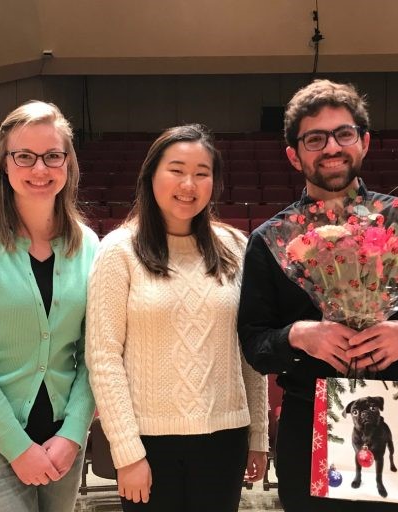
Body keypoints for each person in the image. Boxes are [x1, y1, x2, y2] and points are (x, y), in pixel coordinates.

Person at [237, 79, 398, 512]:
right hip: (308, 421)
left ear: (365, 142)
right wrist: (298, 336)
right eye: (315, 139)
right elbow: (254, 344)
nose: (332, 148)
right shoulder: (270, 240)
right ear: (293, 154)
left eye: (344, 134)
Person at [86, 124, 269, 512]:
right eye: (176, 169)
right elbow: (103, 357)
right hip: (148, 443)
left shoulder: (236, 247)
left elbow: (249, 353)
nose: (189, 183)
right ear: (151, 174)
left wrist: (258, 435)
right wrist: (126, 452)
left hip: (225, 438)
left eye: (202, 173)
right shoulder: (118, 251)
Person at [0, 100, 98, 512]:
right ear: (4, 164)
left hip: (63, 442)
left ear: (68, 163)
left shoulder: (88, 245)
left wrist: (75, 432)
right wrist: (17, 447)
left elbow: (95, 353)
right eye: (25, 157)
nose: (40, 169)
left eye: (52, 156)